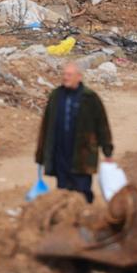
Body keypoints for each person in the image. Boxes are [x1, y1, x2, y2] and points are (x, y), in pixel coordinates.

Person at [35, 61, 113, 203]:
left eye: (69, 75)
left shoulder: (90, 98)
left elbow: (102, 125)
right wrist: (40, 155)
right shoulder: (56, 96)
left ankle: (85, 217)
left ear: (79, 77)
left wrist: (107, 150)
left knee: (82, 191)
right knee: (63, 191)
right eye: (64, 74)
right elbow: (46, 126)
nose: (65, 77)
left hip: (82, 155)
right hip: (60, 154)